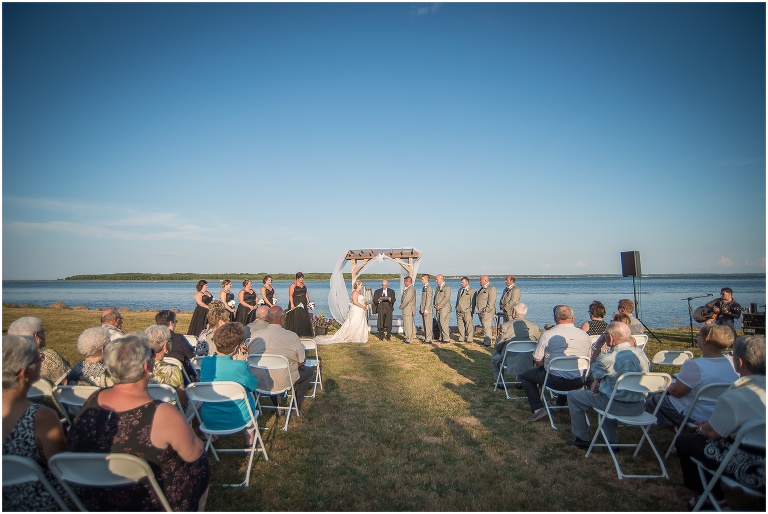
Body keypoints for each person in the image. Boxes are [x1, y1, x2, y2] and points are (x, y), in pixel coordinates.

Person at [67, 333, 210, 511]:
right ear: (146, 366)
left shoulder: (93, 399)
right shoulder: (162, 414)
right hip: (148, 501)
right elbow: (195, 453)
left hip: (95, 497)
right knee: (200, 465)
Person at [675, 335, 765, 510]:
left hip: (752, 465)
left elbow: (714, 434)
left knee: (686, 441)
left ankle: (709, 497)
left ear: (739, 362)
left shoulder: (735, 396)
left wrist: (702, 428)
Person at [2, 335, 68, 512]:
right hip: (34, 499)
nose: (42, 361)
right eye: (39, 358)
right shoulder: (41, 416)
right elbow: (61, 467)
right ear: (25, 373)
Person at [566, 322, 650, 448]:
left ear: (610, 338)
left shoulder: (608, 359)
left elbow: (592, 372)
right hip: (639, 406)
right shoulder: (641, 354)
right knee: (607, 393)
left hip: (614, 406)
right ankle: (611, 441)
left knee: (574, 396)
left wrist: (597, 346)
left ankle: (582, 438)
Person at [645, 324, 738, 430]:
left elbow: (677, 393)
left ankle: (684, 431)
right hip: (723, 414)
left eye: (699, 336)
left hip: (696, 414)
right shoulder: (733, 362)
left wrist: (668, 385)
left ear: (705, 340)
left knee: (654, 401)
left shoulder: (695, 365)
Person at [524, 305, 592, 421]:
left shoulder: (547, 335)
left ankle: (538, 409)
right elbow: (588, 359)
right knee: (566, 371)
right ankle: (558, 404)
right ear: (573, 318)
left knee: (525, 376)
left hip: (554, 380)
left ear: (555, 318)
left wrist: (546, 365)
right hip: (579, 380)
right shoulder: (585, 336)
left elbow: (537, 359)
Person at [198, 323, 259, 446]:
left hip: (210, 419)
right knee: (248, 396)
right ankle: (250, 439)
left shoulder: (206, 362)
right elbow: (253, 386)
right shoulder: (239, 366)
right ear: (236, 347)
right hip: (239, 418)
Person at [250, 306, 314, 411]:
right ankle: (295, 406)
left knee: (270, 370)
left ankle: (278, 405)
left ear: (267, 318)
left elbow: (250, 356)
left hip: (260, 380)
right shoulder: (292, 336)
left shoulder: (256, 335)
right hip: (285, 380)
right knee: (308, 371)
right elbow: (302, 361)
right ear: (282, 318)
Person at [7, 316, 70, 386]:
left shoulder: (7, 360)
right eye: (43, 331)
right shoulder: (48, 357)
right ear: (36, 336)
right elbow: (66, 384)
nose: (44, 334)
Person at [491, 302, 542, 385]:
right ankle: (520, 381)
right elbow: (537, 345)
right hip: (528, 359)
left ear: (514, 313)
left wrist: (499, 349)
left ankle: (500, 382)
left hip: (509, 359)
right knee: (522, 353)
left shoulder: (506, 326)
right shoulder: (534, 327)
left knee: (495, 355)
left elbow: (498, 345)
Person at [146, 324, 189, 407]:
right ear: (165, 346)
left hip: (147, 410)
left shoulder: (139, 368)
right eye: (170, 340)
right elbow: (183, 400)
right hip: (171, 411)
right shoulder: (172, 370)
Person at [316, 280, 370, 345]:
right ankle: (351, 335)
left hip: (361, 310)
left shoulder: (360, 293)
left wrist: (365, 304)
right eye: (361, 285)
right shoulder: (354, 292)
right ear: (357, 285)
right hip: (356, 310)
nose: (362, 286)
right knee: (354, 322)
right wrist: (362, 306)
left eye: (362, 285)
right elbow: (355, 302)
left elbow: (362, 300)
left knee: (360, 322)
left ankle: (359, 335)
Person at [156, 310, 197, 383]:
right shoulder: (178, 338)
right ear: (171, 323)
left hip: (159, 380)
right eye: (175, 321)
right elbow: (191, 355)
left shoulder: (153, 340)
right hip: (183, 379)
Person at [284, 272, 313, 337]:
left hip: (303, 301)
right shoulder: (293, 285)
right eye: (301, 278)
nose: (302, 279)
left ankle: (303, 332)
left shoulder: (304, 285)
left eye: (302, 278)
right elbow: (290, 295)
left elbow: (306, 294)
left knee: (303, 316)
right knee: (296, 316)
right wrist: (292, 304)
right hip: (296, 301)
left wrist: (309, 302)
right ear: (297, 278)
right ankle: (295, 332)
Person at [475, 275, 497, 347]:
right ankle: (485, 341)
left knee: (487, 327)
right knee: (484, 327)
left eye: (480, 280)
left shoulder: (491, 288)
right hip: (481, 311)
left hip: (487, 312)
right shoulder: (482, 288)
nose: (479, 282)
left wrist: (486, 310)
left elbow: (491, 301)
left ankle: (487, 343)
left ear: (485, 280)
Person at [455, 277, 476, 343]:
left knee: (469, 326)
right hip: (459, 311)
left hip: (467, 311)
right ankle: (461, 338)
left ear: (467, 282)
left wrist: (470, 310)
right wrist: (456, 307)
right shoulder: (460, 290)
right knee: (460, 325)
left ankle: (469, 339)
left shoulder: (472, 290)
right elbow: (458, 300)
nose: (461, 283)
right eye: (461, 282)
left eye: (463, 282)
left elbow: (473, 302)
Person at [434, 274, 452, 342]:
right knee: (439, 323)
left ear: (441, 279)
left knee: (443, 323)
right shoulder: (437, 288)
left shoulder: (447, 287)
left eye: (437, 279)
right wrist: (435, 305)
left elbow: (446, 298)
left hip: (444, 308)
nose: (436, 281)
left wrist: (439, 306)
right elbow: (435, 297)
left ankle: (446, 338)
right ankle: (441, 338)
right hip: (437, 308)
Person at [400, 276, 417, 345]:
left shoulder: (410, 289)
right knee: (407, 325)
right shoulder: (409, 289)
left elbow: (406, 300)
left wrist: (401, 306)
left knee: (408, 325)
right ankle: (408, 338)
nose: (404, 283)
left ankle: (409, 339)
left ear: (407, 281)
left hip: (408, 310)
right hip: (407, 310)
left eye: (404, 282)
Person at [419, 274, 434, 344]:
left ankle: (429, 339)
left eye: (422, 279)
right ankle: (426, 338)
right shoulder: (424, 287)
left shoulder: (429, 288)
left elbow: (428, 300)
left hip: (427, 310)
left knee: (428, 325)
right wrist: (421, 308)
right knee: (425, 325)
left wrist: (426, 310)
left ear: (426, 279)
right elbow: (423, 299)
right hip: (423, 309)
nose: (421, 281)